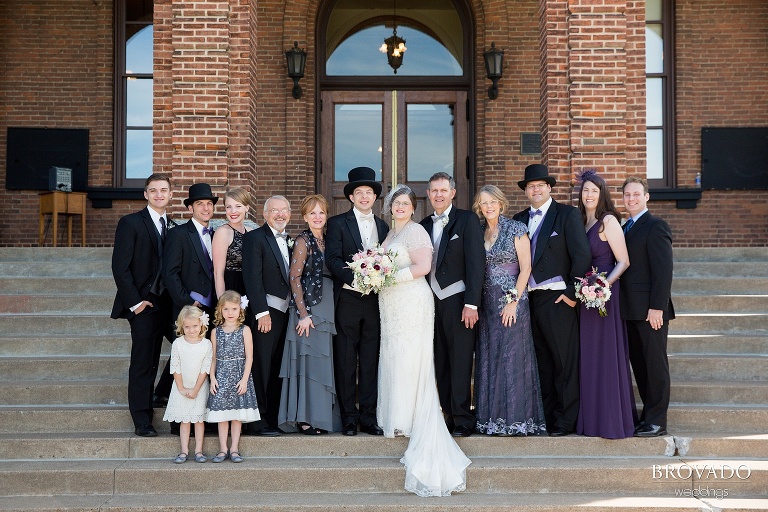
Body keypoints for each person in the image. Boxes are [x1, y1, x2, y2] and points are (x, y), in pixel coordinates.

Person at [378, 185, 470, 496]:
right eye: (395, 203)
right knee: (393, 356)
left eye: (405, 203)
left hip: (412, 301)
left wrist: (388, 277)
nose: (400, 207)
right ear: (390, 208)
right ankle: (396, 416)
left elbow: (423, 267)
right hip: (390, 304)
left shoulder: (417, 231)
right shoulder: (390, 235)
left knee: (410, 356)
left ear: (413, 208)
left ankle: (413, 417)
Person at [512, 164, 591, 436]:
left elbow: (582, 256)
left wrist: (572, 294)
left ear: (549, 188)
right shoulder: (518, 218)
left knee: (563, 362)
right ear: (526, 191)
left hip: (558, 298)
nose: (535, 189)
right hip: (529, 301)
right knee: (541, 362)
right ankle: (544, 416)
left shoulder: (566, 215)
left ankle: (566, 420)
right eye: (530, 186)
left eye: (540, 185)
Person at [472, 185, 546, 436]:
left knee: (512, 359)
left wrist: (513, 301)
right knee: (490, 357)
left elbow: (526, 268)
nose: (489, 206)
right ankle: (492, 419)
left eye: (493, 202)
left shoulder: (516, 228)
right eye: (484, 203)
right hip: (487, 305)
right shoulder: (479, 231)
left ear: (501, 204)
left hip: (512, 303)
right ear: (479, 207)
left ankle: (517, 420)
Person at [418, 172, 484, 437]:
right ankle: (446, 414)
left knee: (459, 360)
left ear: (453, 193)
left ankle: (463, 418)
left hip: (458, 301)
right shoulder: (422, 225)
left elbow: (476, 264)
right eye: (434, 191)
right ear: (429, 194)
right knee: (439, 360)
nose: (438, 195)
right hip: (429, 301)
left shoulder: (467, 220)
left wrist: (472, 303)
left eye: (443, 190)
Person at [326, 167, 390, 436]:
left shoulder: (384, 226)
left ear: (374, 197)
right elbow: (333, 260)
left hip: (375, 301)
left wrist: (376, 279)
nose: (364, 197)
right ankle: (349, 418)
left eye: (369, 193)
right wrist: (358, 279)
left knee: (370, 358)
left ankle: (368, 416)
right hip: (348, 299)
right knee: (345, 359)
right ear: (351, 197)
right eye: (359, 193)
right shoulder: (338, 223)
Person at [111, 173, 175, 437]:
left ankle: (161, 391)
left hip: (169, 305)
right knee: (143, 363)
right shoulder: (130, 223)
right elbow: (120, 267)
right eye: (153, 190)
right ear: (145, 194)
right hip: (143, 305)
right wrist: (135, 303)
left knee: (194, 347)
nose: (159, 194)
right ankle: (142, 420)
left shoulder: (174, 227)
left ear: (171, 194)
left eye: (164, 190)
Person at [575, 170, 636, 439]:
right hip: (584, 296)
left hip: (604, 297)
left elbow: (623, 261)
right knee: (588, 357)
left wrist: (603, 286)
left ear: (602, 195)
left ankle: (610, 420)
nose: (589, 195)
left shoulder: (607, 221)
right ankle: (591, 419)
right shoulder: (580, 221)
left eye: (594, 191)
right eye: (586, 190)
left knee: (606, 356)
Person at [278, 194, 341, 435]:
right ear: (305, 217)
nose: (317, 217)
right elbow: (294, 277)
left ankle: (321, 416)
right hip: (309, 310)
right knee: (308, 364)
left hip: (327, 307)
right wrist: (303, 314)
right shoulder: (303, 241)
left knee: (322, 363)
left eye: (321, 213)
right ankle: (305, 419)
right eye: (312, 213)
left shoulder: (329, 240)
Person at [620, 176, 675, 437]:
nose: (631, 199)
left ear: (646, 197)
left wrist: (657, 308)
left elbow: (664, 272)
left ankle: (658, 421)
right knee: (640, 366)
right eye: (627, 195)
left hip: (651, 311)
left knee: (654, 366)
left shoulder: (655, 226)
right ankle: (647, 417)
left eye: (636, 194)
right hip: (629, 309)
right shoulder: (625, 227)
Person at [241, 196, 293, 436]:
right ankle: (256, 422)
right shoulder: (254, 238)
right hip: (266, 313)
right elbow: (252, 277)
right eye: (274, 210)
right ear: (264, 214)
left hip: (286, 314)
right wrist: (261, 312)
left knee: (276, 368)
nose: (280, 214)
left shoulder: (290, 240)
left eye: (284, 210)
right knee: (260, 367)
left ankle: (272, 418)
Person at [206, 290, 260, 463]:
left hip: (239, 375)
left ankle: (234, 449)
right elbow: (213, 357)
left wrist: (244, 379)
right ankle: (223, 449)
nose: (230, 313)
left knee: (237, 415)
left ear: (241, 310)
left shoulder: (245, 330)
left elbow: (250, 357)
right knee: (222, 416)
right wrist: (212, 378)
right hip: (221, 375)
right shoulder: (216, 332)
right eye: (226, 309)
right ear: (220, 310)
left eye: (234, 309)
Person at [163, 305, 213, 464]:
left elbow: (205, 369)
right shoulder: (178, 343)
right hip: (181, 387)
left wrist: (196, 389)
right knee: (184, 421)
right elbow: (175, 366)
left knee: (198, 421)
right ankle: (184, 450)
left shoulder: (206, 344)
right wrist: (181, 388)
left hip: (199, 386)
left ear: (202, 325)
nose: (191, 330)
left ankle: (198, 451)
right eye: (187, 327)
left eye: (195, 326)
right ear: (181, 326)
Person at [212, 187, 254, 299]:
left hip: (251, 291)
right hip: (231, 291)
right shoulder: (222, 232)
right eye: (228, 207)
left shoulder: (252, 232)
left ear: (247, 208)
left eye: (238, 206)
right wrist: (223, 304)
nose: (233, 211)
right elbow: (218, 273)